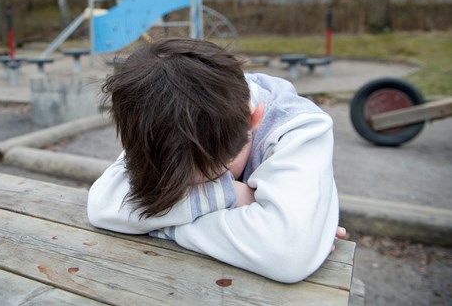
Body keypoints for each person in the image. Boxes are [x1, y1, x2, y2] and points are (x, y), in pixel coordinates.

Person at [87, 37, 342, 283]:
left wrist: (154, 225)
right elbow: (101, 205)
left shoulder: (299, 126)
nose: (209, 186)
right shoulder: (157, 121)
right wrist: (234, 195)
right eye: (189, 187)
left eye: (215, 178)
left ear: (253, 121)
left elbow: (287, 254)